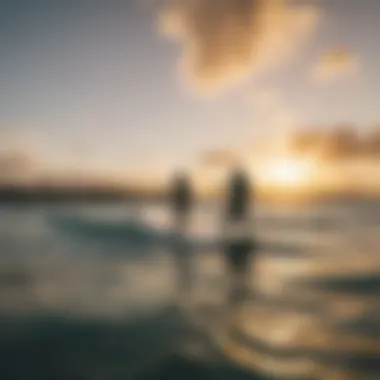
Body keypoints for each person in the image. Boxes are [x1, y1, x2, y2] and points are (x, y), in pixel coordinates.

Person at [222, 168, 256, 306]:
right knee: (239, 269)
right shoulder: (238, 189)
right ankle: (238, 294)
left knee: (239, 219)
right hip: (237, 243)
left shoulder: (238, 189)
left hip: (237, 243)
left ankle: (238, 293)